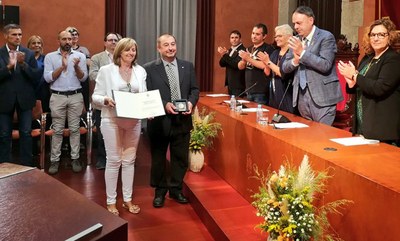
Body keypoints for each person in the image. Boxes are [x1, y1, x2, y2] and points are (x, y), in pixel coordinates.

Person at [144, 34, 200, 208]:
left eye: (173, 44)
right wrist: (164, 105)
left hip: (182, 120)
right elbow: (147, 94)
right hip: (160, 121)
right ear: (159, 48)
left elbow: (195, 89)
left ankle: (176, 189)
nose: (170, 48)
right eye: (166, 45)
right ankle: (160, 192)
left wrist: (191, 103)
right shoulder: (149, 69)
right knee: (159, 159)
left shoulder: (187, 66)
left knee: (180, 158)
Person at [92, 38, 146, 215]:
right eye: (127, 50)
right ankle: (111, 201)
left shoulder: (140, 71)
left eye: (134, 50)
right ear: (119, 52)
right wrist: (105, 100)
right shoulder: (106, 70)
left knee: (130, 161)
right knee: (114, 161)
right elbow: (96, 97)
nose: (131, 53)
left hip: (134, 121)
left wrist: (148, 109)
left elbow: (144, 96)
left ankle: (128, 200)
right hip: (111, 120)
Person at [338, 18, 400, 146]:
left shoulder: (393, 59)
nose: (376, 38)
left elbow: (379, 88)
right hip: (363, 121)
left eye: (381, 34)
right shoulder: (367, 58)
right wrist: (351, 84)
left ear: (390, 37)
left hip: (382, 126)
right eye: (373, 35)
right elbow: (361, 83)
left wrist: (354, 75)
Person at [282, 6, 343, 125]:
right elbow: (284, 67)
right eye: (294, 23)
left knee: (321, 137)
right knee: (306, 137)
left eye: (299, 23)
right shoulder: (295, 40)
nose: (295, 27)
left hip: (323, 97)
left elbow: (325, 65)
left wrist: (302, 53)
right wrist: (295, 61)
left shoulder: (326, 37)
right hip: (301, 97)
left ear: (311, 20)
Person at [44, 30, 88, 174]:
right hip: (57, 96)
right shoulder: (50, 57)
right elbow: (48, 78)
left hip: (75, 95)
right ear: (59, 41)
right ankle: (54, 160)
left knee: (75, 129)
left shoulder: (80, 56)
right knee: (57, 130)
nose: (68, 41)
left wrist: (75, 67)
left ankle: (75, 158)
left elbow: (83, 78)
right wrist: (62, 67)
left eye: (70, 39)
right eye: (64, 39)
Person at [0, 24, 40, 166]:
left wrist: (23, 65)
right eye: (14, 35)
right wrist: (9, 67)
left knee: (26, 133)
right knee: (4, 134)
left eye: (20, 34)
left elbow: (36, 76)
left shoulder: (28, 53)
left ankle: (26, 166)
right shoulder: (0, 53)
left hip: (25, 99)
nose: (18, 37)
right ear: (6, 36)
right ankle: (4, 166)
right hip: (4, 99)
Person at [89, 32, 121, 170]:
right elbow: (92, 75)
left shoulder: (122, 56)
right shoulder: (97, 58)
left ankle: (121, 158)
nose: (113, 42)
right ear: (105, 43)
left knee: (121, 132)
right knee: (103, 133)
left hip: (121, 101)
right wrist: (109, 80)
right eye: (110, 40)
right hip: (102, 101)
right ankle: (102, 159)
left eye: (116, 40)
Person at [258, 24, 295, 113]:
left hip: (287, 96)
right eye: (276, 36)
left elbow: (283, 73)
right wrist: (266, 66)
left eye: (280, 36)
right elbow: (268, 73)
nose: (276, 38)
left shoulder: (292, 53)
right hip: (273, 96)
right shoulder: (275, 53)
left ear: (289, 37)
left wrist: (268, 62)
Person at [238, 23, 275, 105]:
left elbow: (264, 65)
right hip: (248, 89)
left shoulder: (268, 49)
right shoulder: (249, 48)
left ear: (264, 36)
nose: (254, 36)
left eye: (257, 34)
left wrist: (248, 58)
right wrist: (244, 60)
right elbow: (240, 67)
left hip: (260, 91)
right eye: (253, 33)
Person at [66, 26, 91, 111]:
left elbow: (89, 63)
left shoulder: (83, 50)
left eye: (76, 34)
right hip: (69, 79)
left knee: (84, 101)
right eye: (72, 34)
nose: (74, 36)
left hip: (82, 79)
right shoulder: (64, 50)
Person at [217, 30, 246, 97]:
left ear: (240, 39)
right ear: (230, 39)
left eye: (236, 37)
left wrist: (225, 55)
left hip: (238, 84)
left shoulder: (242, 50)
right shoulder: (230, 50)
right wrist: (223, 54)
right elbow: (221, 64)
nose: (234, 40)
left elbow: (235, 64)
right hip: (230, 84)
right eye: (232, 38)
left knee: (237, 105)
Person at [27, 35, 50, 114]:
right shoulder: (25, 59)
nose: (36, 45)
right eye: (34, 43)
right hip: (29, 90)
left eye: (39, 43)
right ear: (29, 45)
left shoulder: (46, 58)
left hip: (43, 90)